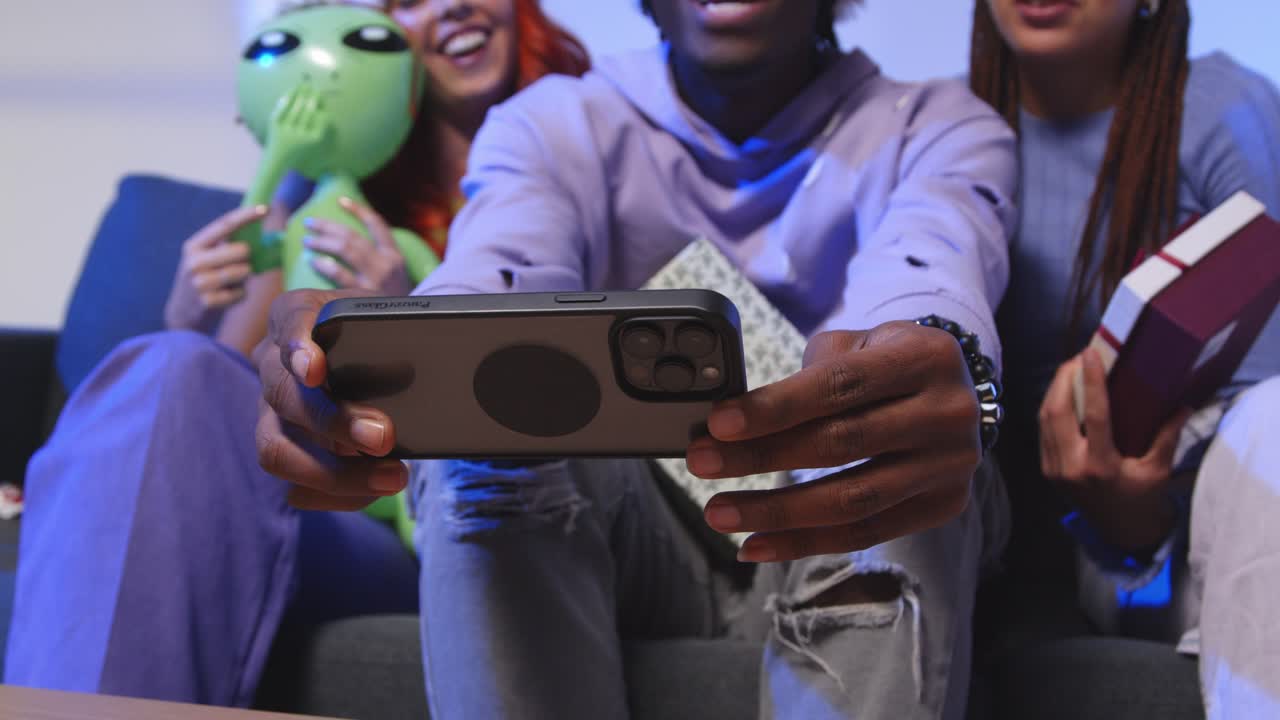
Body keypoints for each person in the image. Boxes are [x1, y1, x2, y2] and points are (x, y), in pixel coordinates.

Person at [254, 0, 1019, 717]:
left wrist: (945, 366)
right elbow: (494, 269)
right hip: (645, 551)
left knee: (895, 427)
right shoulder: (555, 123)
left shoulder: (939, 125)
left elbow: (934, 265)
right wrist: (369, 362)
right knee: (477, 446)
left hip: (856, 528)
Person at [4, 0, 588, 707]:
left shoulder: (590, 150)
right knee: (171, 367)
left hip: (441, 530)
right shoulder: (318, 196)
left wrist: (412, 321)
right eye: (407, 0)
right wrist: (186, 318)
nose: (452, 5)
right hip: (316, 511)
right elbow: (220, 405)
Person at [971, 0, 1280, 714]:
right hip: (1043, 550)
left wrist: (1144, 509)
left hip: (1210, 528)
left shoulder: (1219, 109)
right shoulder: (949, 129)